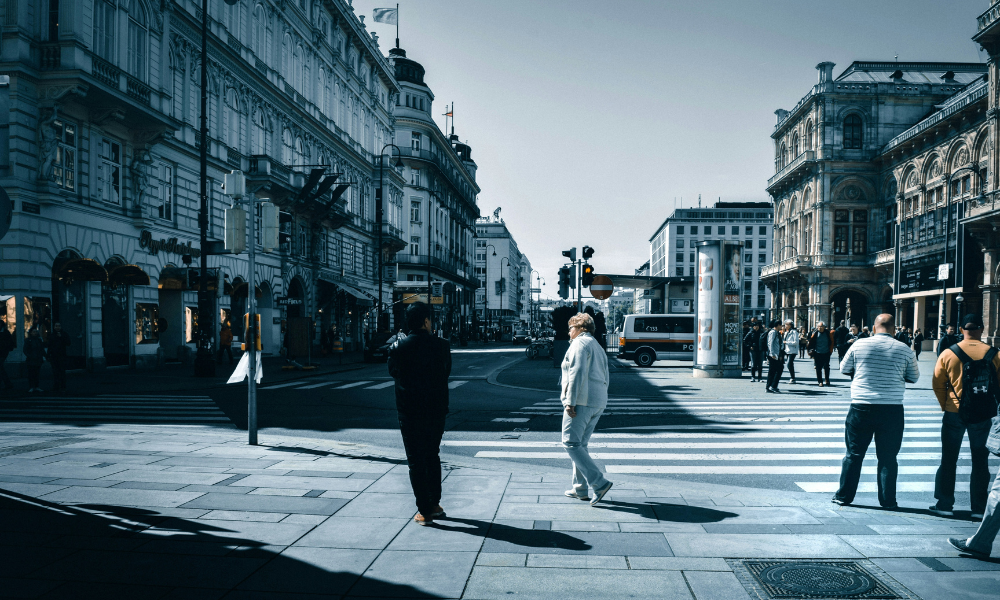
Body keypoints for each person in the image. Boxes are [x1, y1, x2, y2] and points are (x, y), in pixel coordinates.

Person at [833, 314, 919, 508]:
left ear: (873, 328)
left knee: (854, 455)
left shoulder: (859, 345)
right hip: (892, 409)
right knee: (888, 457)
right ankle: (888, 500)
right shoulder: (904, 349)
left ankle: (844, 496)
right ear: (894, 329)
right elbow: (913, 377)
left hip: (861, 406)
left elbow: (843, 369)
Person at [387, 302, 452, 526]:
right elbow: (446, 373)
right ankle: (435, 503)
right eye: (430, 319)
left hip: (410, 412)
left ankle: (424, 510)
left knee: (415, 461)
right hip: (435, 410)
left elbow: (393, 372)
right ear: (425, 321)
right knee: (432, 455)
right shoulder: (442, 346)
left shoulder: (398, 348)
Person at [930, 314, 999, 520]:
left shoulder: (949, 353)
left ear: (961, 329)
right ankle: (978, 508)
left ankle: (945, 504)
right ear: (982, 329)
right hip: (983, 413)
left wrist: (947, 404)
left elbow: (937, 383)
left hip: (954, 411)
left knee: (949, 459)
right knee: (980, 461)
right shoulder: (994, 353)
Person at [561, 312, 613, 505]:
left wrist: (570, 401)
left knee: (570, 443)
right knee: (580, 445)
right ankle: (579, 488)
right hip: (597, 401)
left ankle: (599, 483)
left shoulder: (580, 344)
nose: (569, 333)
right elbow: (606, 375)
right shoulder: (597, 345)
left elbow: (577, 373)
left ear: (580, 328)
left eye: (571, 328)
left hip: (582, 400)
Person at [808, 321, 835, 386]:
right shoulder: (815, 333)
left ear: (824, 327)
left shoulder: (828, 333)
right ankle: (820, 381)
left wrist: (830, 351)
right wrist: (811, 352)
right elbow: (811, 342)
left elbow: (832, 342)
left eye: (821, 326)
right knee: (818, 367)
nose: (819, 328)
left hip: (826, 352)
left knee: (826, 366)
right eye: (818, 326)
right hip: (817, 352)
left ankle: (827, 380)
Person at [47, 322, 71, 392]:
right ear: (54, 327)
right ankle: (56, 385)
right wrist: (48, 355)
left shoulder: (64, 334)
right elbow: (50, 346)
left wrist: (61, 337)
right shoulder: (52, 335)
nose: (58, 327)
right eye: (56, 326)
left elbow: (68, 343)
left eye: (59, 326)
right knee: (55, 372)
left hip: (62, 355)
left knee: (62, 371)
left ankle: (63, 385)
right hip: (54, 356)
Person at [23, 328, 45, 393]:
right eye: (34, 332)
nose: (35, 333)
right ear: (31, 333)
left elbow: (42, 349)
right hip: (32, 359)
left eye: (36, 332)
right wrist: (30, 356)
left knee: (36, 373)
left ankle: (35, 386)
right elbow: (25, 350)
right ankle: (33, 386)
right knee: (32, 374)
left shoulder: (37, 340)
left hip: (36, 359)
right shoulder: (30, 340)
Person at [765, 320, 784, 393]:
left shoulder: (777, 333)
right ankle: (769, 386)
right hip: (773, 355)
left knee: (779, 369)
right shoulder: (772, 332)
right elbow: (770, 343)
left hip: (777, 354)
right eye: (781, 325)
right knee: (772, 371)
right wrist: (772, 353)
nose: (782, 327)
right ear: (778, 325)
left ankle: (773, 385)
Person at [783, 320, 799, 384]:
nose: (785, 326)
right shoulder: (786, 332)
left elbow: (796, 342)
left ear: (790, 325)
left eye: (786, 324)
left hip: (792, 350)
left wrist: (787, 342)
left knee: (789, 363)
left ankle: (793, 378)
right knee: (790, 364)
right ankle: (792, 377)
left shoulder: (794, 332)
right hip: (787, 350)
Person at [0, 322, 14, 391]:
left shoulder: (5, 333)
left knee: (1, 367)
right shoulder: (5, 332)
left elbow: (10, 342)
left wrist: (7, 348)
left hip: (3, 352)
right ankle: (7, 383)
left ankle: (7, 383)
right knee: (1, 368)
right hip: (3, 351)